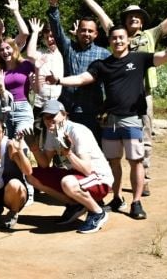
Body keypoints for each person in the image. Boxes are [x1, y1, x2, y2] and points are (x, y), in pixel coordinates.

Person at [48, 23, 167, 220]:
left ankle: (136, 202)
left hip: (132, 119)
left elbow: (165, 55)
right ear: (109, 41)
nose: (118, 41)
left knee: (136, 161)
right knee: (113, 162)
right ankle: (117, 198)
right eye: (114, 38)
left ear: (128, 40)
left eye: (121, 37)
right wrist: (60, 80)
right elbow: (83, 78)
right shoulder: (103, 64)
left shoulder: (140, 58)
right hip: (110, 120)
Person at [75, 0, 167, 195]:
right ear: (124, 22)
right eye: (130, 16)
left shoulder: (151, 35)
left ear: (142, 22)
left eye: (138, 16)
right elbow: (102, 15)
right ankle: (112, 182)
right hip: (118, 98)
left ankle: (145, 179)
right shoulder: (117, 36)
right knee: (114, 144)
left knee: (145, 138)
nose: (134, 18)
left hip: (145, 94)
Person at [27, 100, 113, 234]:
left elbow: (87, 169)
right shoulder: (51, 132)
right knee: (32, 175)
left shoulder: (77, 131)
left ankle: (97, 212)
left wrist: (69, 153)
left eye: (52, 116)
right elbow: (44, 164)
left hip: (99, 179)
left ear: (63, 114)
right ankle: (76, 205)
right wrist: (34, 149)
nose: (48, 120)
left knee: (68, 183)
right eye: (45, 117)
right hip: (76, 175)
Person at [47, 0, 109, 142]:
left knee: (90, 149)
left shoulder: (104, 54)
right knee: (63, 147)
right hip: (66, 109)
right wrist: (53, 5)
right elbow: (57, 29)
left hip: (91, 111)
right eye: (83, 30)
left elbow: (111, 84)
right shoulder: (69, 48)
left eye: (90, 31)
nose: (86, 33)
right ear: (77, 32)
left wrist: (108, 109)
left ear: (96, 34)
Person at [0, 27, 39, 139]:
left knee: (20, 144)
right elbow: (1, 96)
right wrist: (1, 86)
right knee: (7, 147)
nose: (5, 52)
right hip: (5, 110)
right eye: (2, 50)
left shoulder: (26, 65)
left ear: (14, 48)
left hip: (23, 108)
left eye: (7, 48)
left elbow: (36, 89)